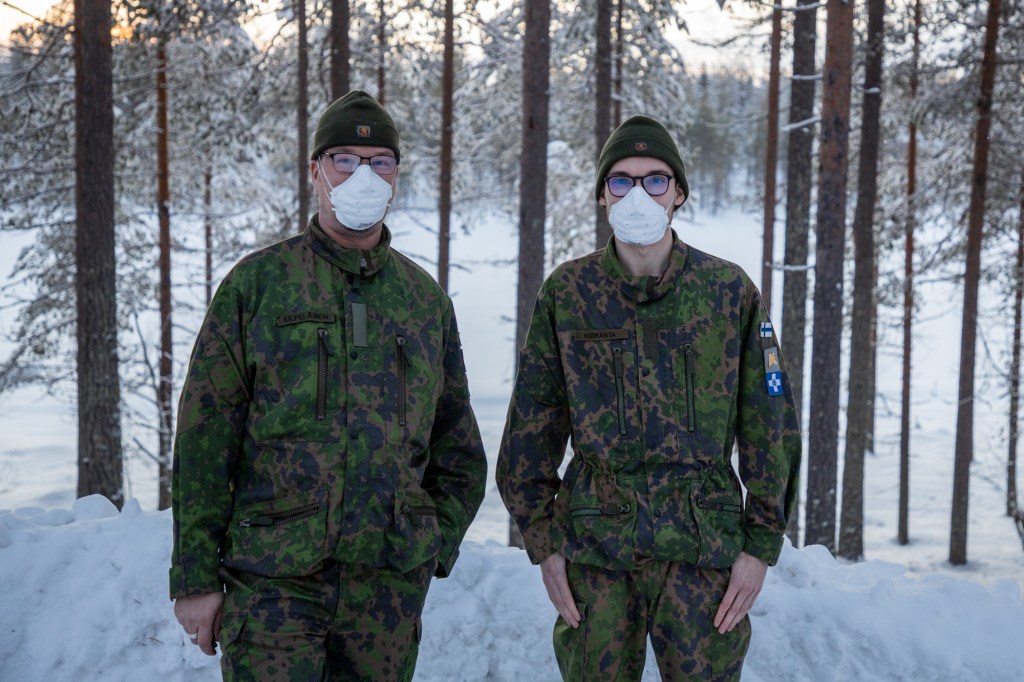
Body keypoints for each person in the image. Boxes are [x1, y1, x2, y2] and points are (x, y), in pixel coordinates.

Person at [170, 90, 487, 682]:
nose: (363, 175)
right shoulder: (257, 286)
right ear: (315, 171)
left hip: (386, 596)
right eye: (345, 159)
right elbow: (203, 441)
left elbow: (459, 449)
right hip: (273, 584)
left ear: (396, 177)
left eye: (380, 162)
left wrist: (428, 546)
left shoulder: (423, 301)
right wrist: (194, 577)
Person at [496, 115, 801, 681]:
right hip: (596, 552)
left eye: (655, 179)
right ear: (602, 195)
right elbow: (531, 428)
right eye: (622, 180)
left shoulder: (727, 291)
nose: (638, 193)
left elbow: (771, 425)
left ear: (678, 192)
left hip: (703, 553)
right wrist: (544, 543)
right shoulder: (569, 292)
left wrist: (760, 546)